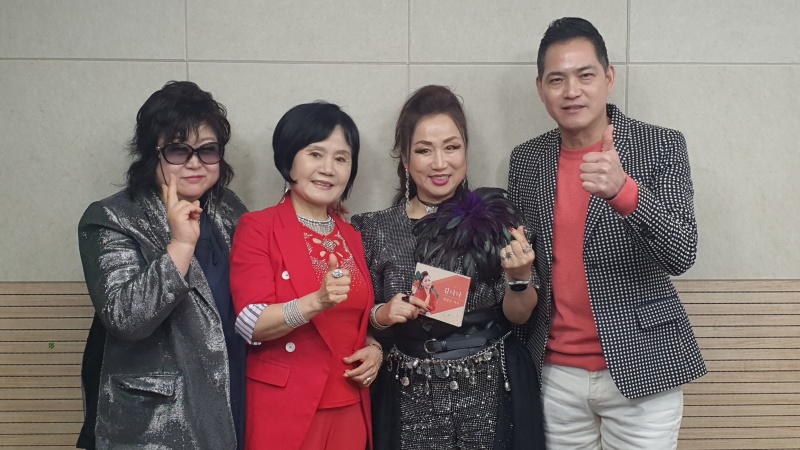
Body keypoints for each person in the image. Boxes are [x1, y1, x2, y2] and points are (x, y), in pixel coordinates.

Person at [508, 17, 707, 449]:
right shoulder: (526, 159)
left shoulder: (659, 145)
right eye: (557, 79)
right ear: (541, 89)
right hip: (555, 374)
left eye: (585, 75)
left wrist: (624, 192)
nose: (572, 91)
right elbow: (530, 262)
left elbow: (682, 252)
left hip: (643, 364)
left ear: (609, 77)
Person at [352, 85, 545, 450]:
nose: (440, 163)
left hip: (491, 387)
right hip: (409, 394)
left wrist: (519, 279)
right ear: (405, 160)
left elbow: (519, 316)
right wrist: (382, 314)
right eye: (424, 150)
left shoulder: (498, 219)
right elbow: (355, 318)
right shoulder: (374, 229)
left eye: (451, 147)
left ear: (465, 152)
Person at [77, 80, 248, 449]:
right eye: (177, 150)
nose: (194, 163)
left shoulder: (228, 207)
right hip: (161, 418)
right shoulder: (111, 217)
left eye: (207, 150)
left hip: (233, 387)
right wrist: (181, 246)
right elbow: (126, 318)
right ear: (151, 154)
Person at [229, 102, 382, 450]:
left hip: (350, 405)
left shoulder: (351, 234)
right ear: (289, 158)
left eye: (341, 158)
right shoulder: (259, 227)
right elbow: (250, 323)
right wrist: (317, 301)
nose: (328, 169)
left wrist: (375, 349)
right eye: (315, 154)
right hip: (285, 408)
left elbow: (353, 322)